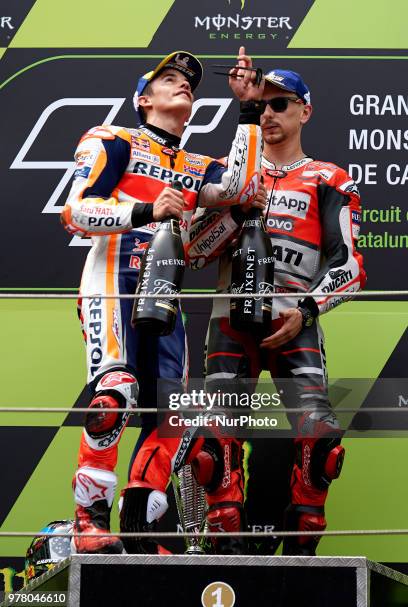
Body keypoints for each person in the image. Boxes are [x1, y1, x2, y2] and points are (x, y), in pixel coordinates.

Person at [61, 48, 265, 554]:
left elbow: (239, 187)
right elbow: (75, 212)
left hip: (165, 287)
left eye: (189, 82)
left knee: (172, 416)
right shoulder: (114, 140)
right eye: (170, 78)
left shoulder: (198, 164)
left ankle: (138, 520)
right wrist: (148, 209)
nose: (183, 85)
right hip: (112, 278)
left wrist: (247, 111)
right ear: (143, 98)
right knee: (116, 394)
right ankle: (88, 519)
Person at [187, 68, 366, 555]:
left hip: (294, 319)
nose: (268, 113)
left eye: (280, 103)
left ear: (305, 111)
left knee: (321, 441)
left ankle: (303, 551)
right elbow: (194, 251)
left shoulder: (328, 177)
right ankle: (225, 548)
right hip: (230, 319)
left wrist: (306, 311)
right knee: (213, 441)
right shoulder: (230, 169)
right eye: (262, 105)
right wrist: (235, 210)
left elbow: (351, 267)